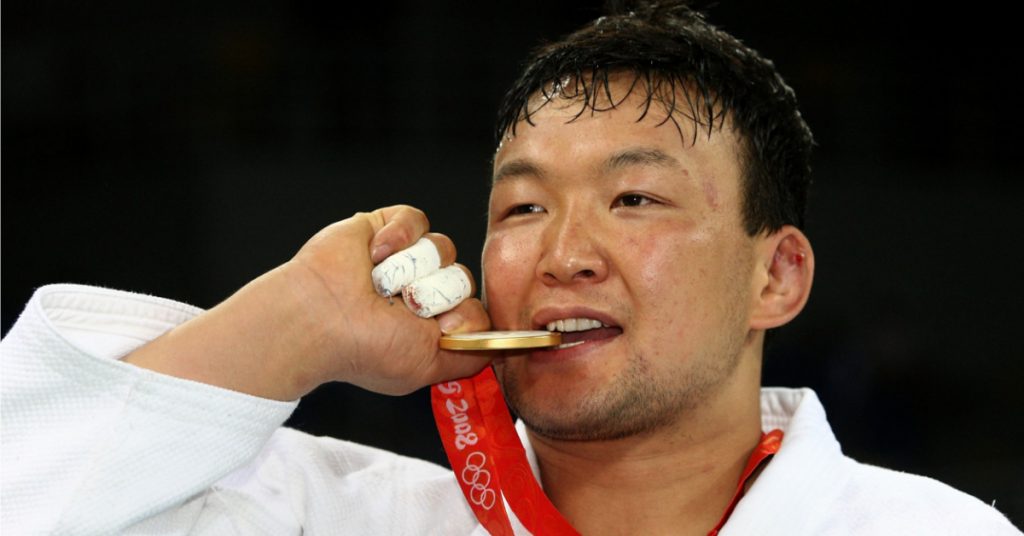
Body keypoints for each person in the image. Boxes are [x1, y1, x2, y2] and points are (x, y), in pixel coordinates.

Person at [2, 2, 1020, 535]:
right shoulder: (337, 515)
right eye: (523, 208)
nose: (562, 254)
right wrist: (296, 320)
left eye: (635, 199)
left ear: (777, 276)